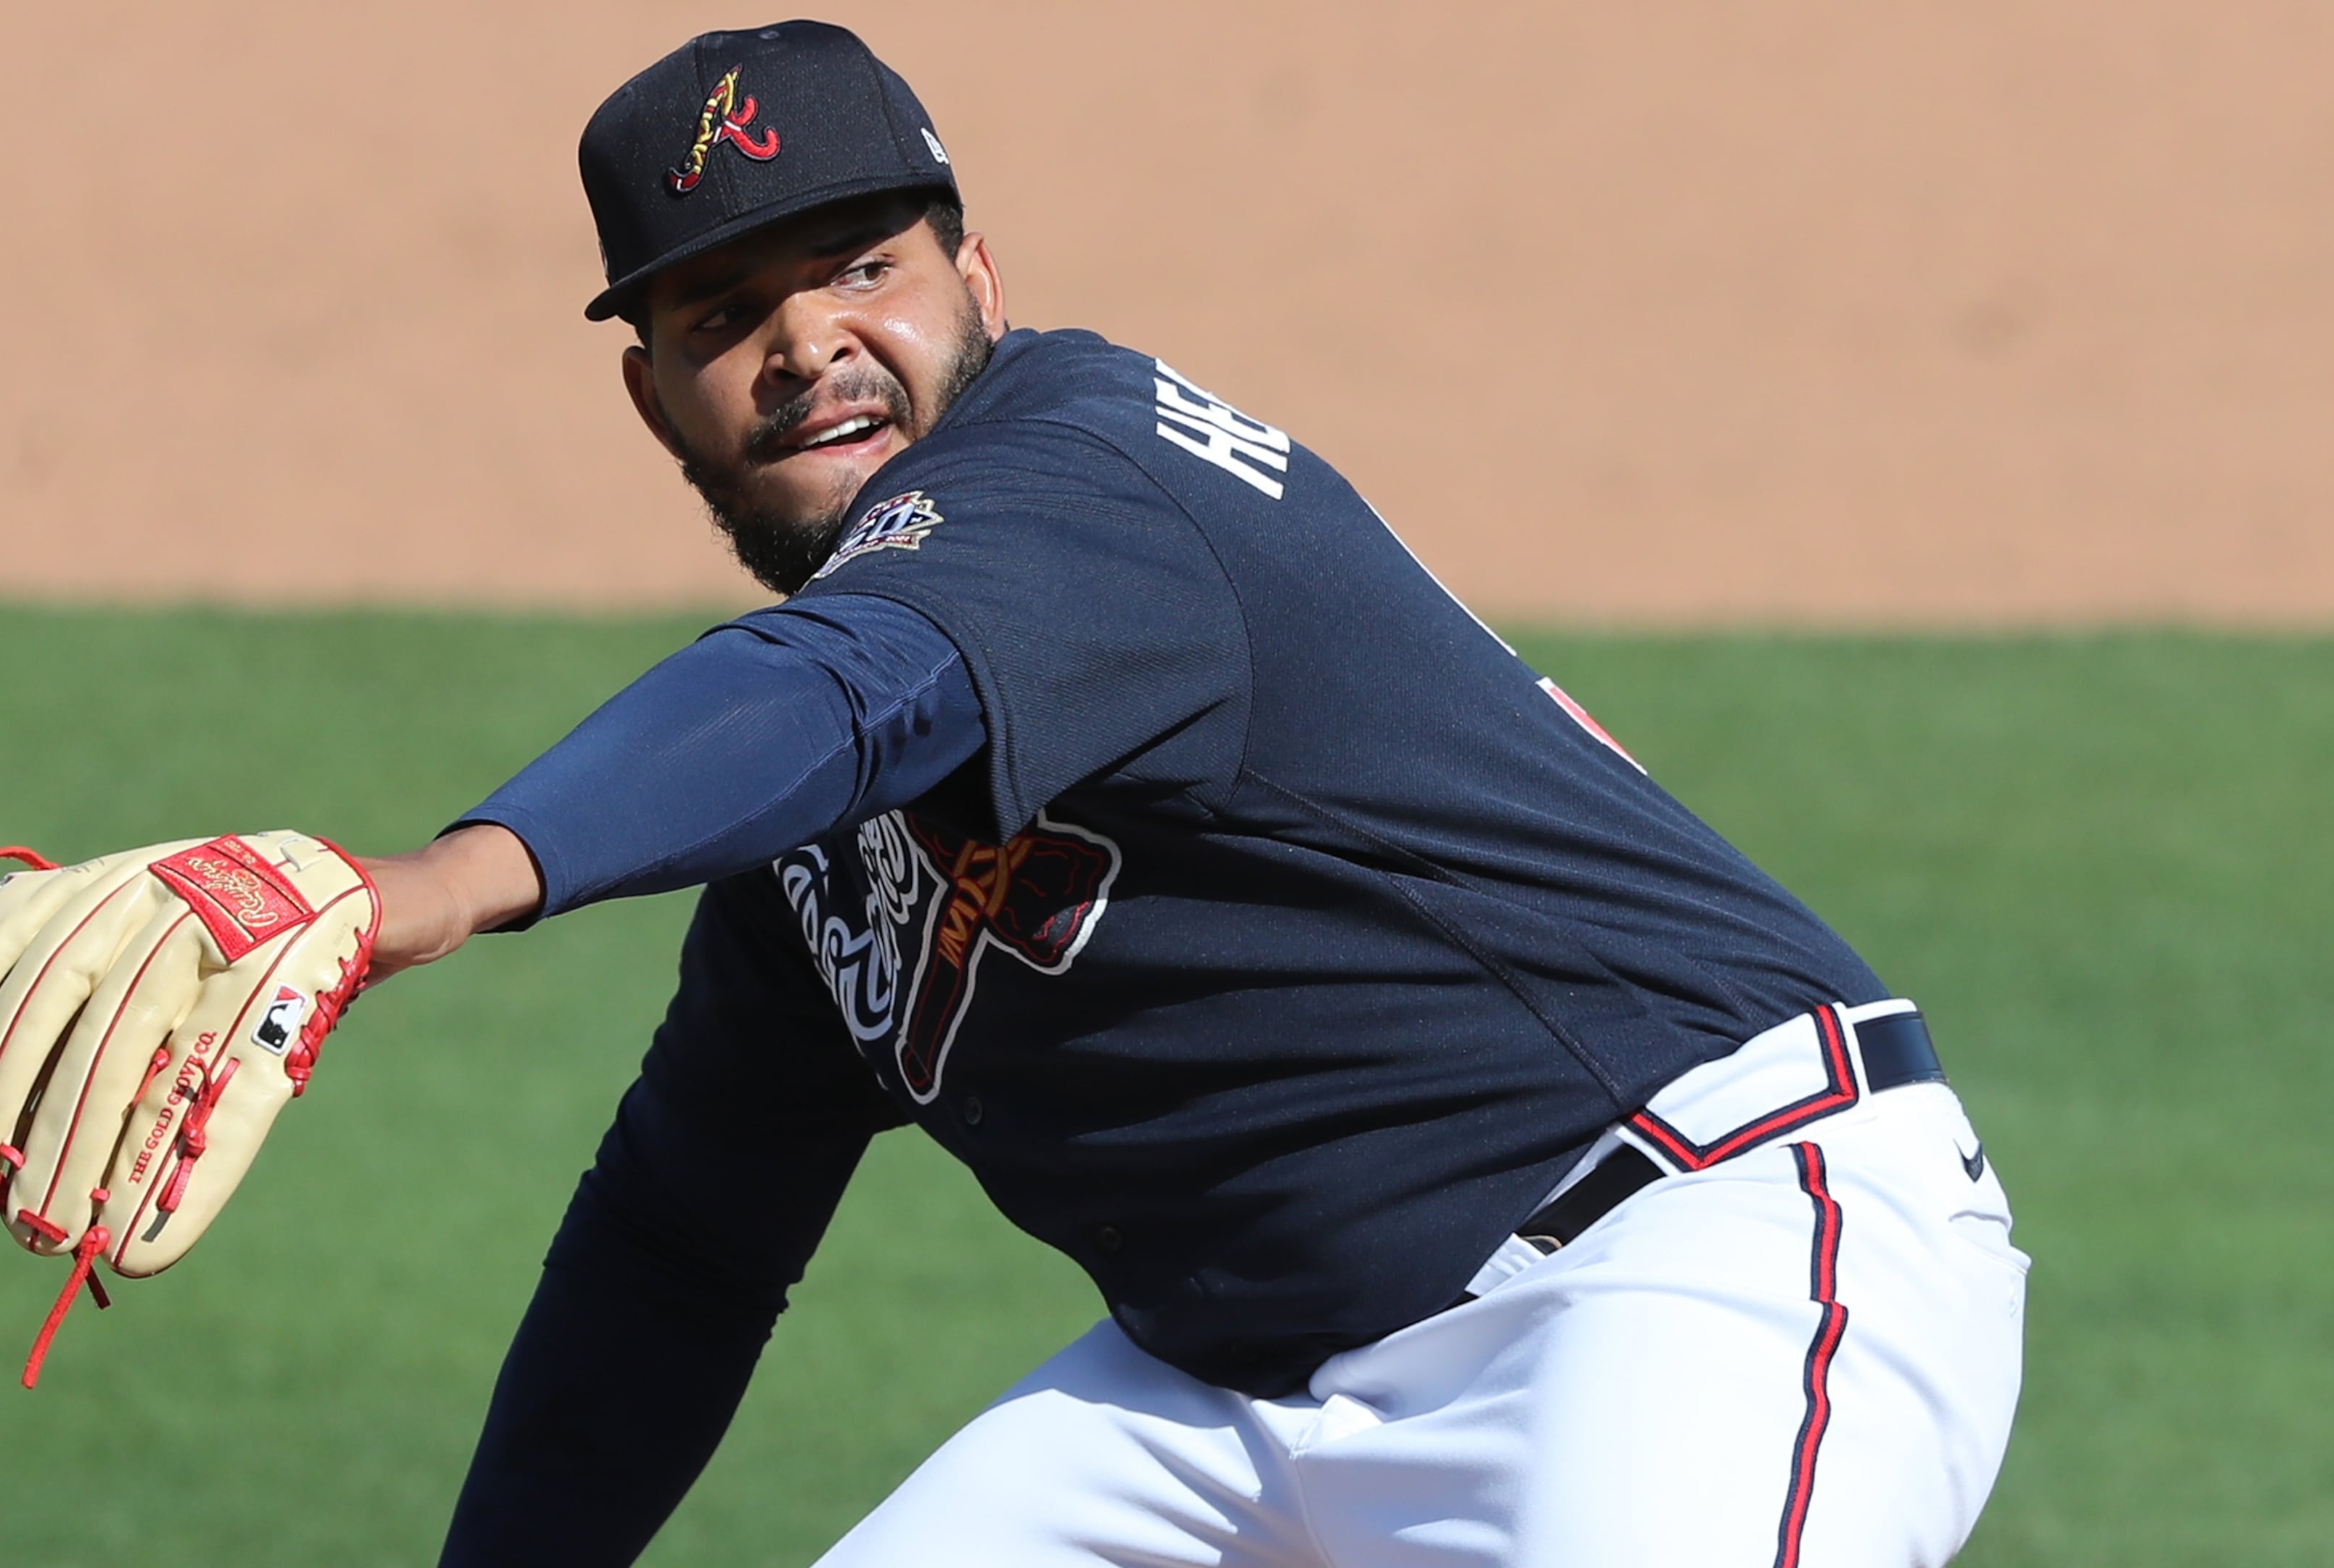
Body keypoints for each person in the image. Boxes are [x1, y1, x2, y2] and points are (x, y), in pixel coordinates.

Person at [356, 22, 2028, 1567]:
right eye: (725, 315)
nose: (812, 345)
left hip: (1676, 1256)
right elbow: (680, 1248)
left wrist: (438, 888)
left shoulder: (1078, 473)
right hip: (1236, 1397)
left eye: (864, 267)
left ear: (980, 279)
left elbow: (847, 683)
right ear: (654, 393)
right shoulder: (816, 801)